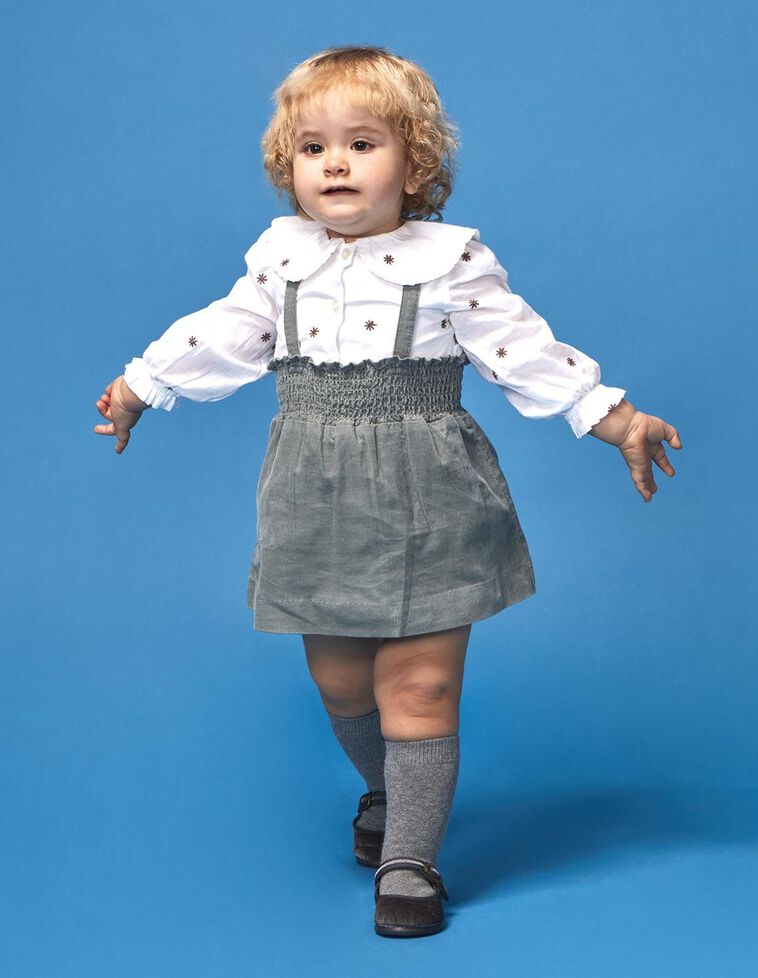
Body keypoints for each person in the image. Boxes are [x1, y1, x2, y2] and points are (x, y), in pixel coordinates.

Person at [93, 45, 682, 938]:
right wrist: (142, 384)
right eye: (312, 147)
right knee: (341, 683)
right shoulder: (279, 262)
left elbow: (526, 353)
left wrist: (617, 416)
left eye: (363, 143)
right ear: (286, 167)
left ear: (417, 165)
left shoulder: (450, 261)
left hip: (430, 489)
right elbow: (218, 337)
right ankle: (385, 789)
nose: (335, 163)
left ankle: (412, 858)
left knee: (421, 686)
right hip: (314, 492)